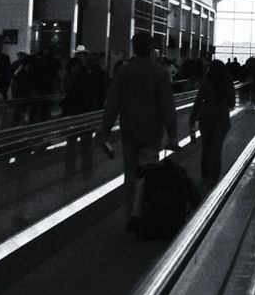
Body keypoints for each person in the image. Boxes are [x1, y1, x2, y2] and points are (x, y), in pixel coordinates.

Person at [100, 31, 179, 228]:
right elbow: (167, 107)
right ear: (151, 48)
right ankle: (143, 212)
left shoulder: (123, 72)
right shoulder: (160, 74)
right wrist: (173, 135)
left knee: (131, 174)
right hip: (152, 131)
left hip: (130, 130)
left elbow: (112, 104)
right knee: (148, 172)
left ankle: (130, 215)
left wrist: (105, 131)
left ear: (134, 47)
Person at [188, 59, 236, 188]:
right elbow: (232, 103)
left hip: (206, 120)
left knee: (206, 148)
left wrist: (192, 120)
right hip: (222, 121)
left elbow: (197, 103)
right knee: (216, 149)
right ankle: (213, 178)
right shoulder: (227, 84)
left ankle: (204, 176)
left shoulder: (206, 83)